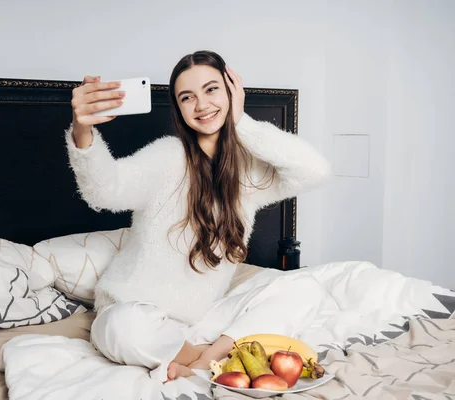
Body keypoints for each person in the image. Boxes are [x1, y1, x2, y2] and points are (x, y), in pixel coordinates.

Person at [65, 50, 331, 382]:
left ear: (232, 92)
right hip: (136, 316)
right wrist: (82, 129)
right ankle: (209, 359)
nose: (201, 105)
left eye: (211, 90)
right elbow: (103, 192)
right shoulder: (168, 157)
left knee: (307, 288)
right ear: (178, 109)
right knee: (122, 329)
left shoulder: (248, 172)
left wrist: (241, 121)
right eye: (187, 97)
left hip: (201, 322)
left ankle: (203, 362)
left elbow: (315, 171)